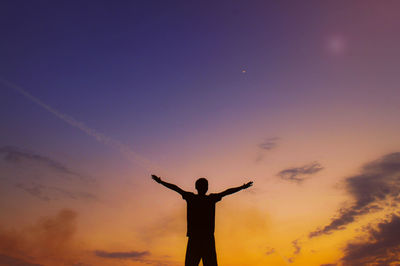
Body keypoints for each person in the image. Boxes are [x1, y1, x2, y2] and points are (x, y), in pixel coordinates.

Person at [151, 174, 253, 266]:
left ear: (196, 187)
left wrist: (161, 182)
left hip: (196, 239)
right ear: (207, 188)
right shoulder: (210, 199)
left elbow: (176, 188)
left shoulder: (192, 197)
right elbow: (226, 192)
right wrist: (242, 187)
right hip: (206, 239)